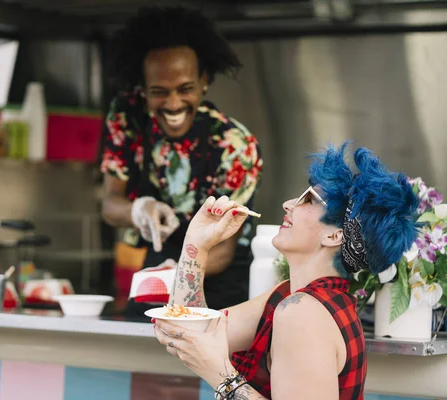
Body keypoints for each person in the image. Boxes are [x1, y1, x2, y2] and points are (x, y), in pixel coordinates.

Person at [153, 143, 419, 399]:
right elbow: (184, 333)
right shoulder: (289, 296)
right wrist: (197, 244)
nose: (288, 204)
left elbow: (199, 351)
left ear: (336, 235)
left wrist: (221, 376)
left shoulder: (304, 314)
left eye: (308, 200)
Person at [100, 6, 263, 319]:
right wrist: (139, 210)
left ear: (204, 80)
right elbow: (110, 204)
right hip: (159, 267)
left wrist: (181, 271)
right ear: (143, 90)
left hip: (219, 275)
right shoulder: (128, 120)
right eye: (159, 92)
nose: (173, 104)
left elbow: (225, 248)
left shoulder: (235, 145)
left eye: (184, 89)